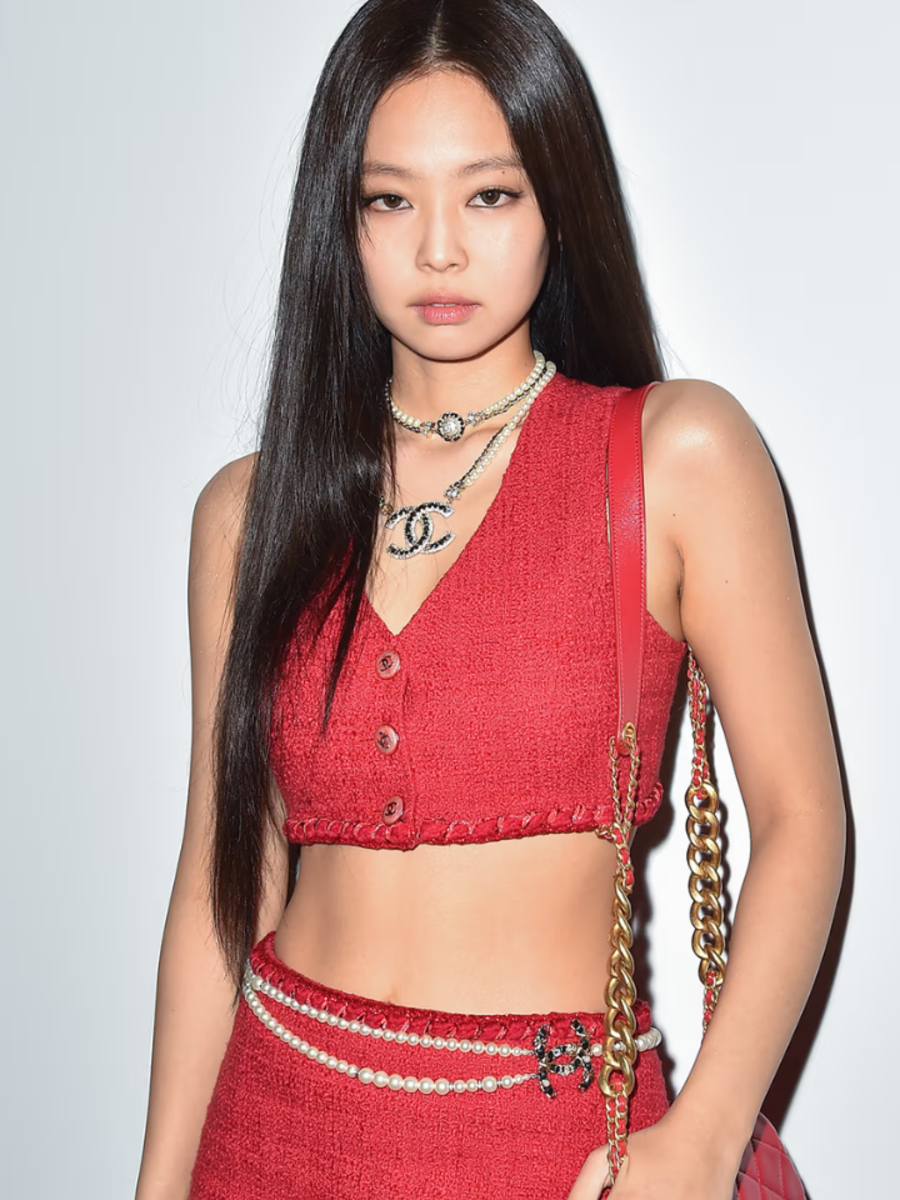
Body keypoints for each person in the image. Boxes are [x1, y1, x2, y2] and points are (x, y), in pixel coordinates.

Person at [135, 2, 845, 1197]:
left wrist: (704, 1136)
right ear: (340, 220)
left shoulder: (676, 455)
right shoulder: (244, 515)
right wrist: (158, 1185)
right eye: (389, 200)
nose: (439, 251)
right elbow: (222, 876)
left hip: (559, 1148)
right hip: (270, 1123)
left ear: (558, 201)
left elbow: (804, 817)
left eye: (491, 194)